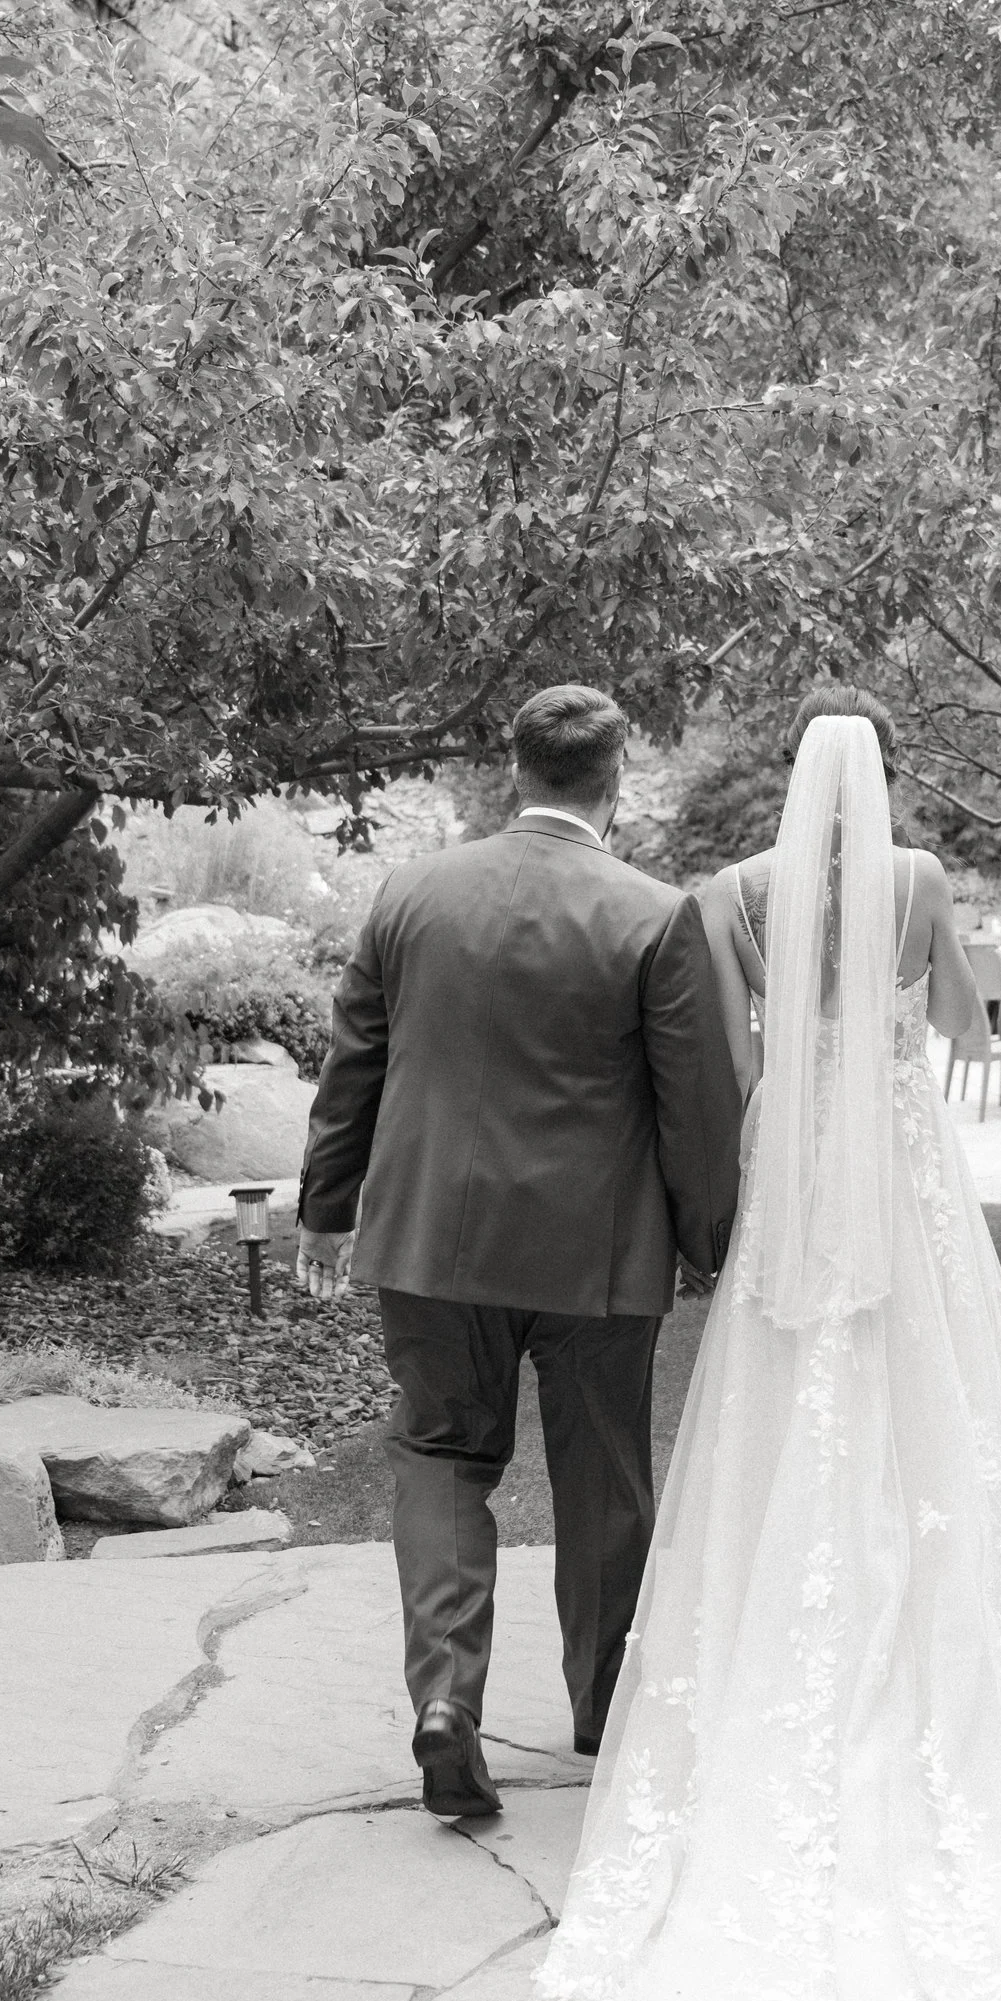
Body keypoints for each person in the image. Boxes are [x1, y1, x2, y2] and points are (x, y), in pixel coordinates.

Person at [536, 690, 1001, 2001]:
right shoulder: (919, 881)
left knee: (784, 1398)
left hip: (799, 1178)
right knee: (933, 1397)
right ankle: (941, 1643)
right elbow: (965, 1017)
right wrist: (961, 974)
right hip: (903, 1191)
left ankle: (774, 1635)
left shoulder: (739, 890)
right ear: (884, 781)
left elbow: (725, 1035)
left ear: (792, 786)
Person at [294, 684, 741, 1823]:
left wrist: (325, 1205)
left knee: (443, 1456)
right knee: (603, 1480)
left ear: (515, 769)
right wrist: (710, 1240)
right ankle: (601, 1710)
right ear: (615, 775)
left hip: (431, 1240)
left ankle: (447, 1702)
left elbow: (356, 1062)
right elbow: (692, 1106)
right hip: (595, 1255)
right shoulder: (653, 912)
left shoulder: (412, 893)